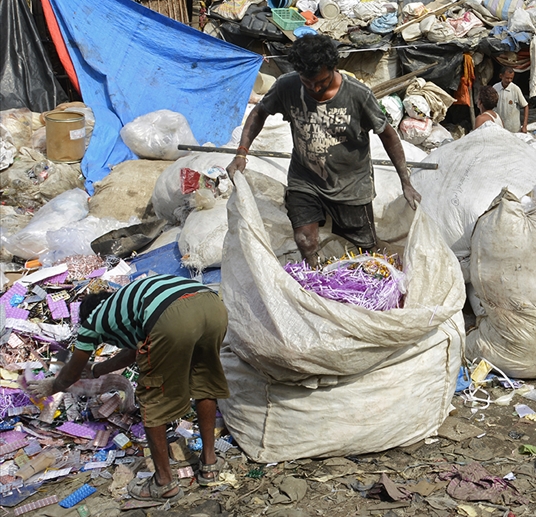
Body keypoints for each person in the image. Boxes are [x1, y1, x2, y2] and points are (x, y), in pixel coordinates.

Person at [27, 275, 229, 502]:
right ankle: (209, 466)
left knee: (152, 401)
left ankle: (164, 483)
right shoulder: (128, 303)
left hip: (173, 316)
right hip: (213, 307)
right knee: (203, 382)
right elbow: (134, 350)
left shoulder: (92, 322)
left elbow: (72, 371)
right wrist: (97, 370)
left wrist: (52, 386)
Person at [227, 34, 420, 264]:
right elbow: (259, 112)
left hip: (351, 185)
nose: (315, 88)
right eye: (307, 83)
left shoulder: (358, 95)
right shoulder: (287, 86)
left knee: (367, 250)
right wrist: (241, 153)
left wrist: (405, 181)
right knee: (305, 240)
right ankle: (315, 281)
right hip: (305, 179)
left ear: (333, 68)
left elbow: (389, 135)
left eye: (321, 81)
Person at [493, 66, 528, 133]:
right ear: (501, 76)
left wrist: (524, 126)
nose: (509, 80)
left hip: (513, 129)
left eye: (511, 78)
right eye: (507, 78)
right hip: (498, 127)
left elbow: (525, 106)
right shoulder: (495, 88)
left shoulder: (515, 89)